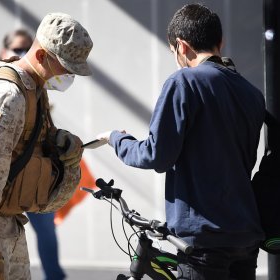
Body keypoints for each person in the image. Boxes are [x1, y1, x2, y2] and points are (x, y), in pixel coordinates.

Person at [98, 4, 265, 280]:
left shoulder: (184, 82)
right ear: (220, 42)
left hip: (204, 237)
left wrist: (116, 139)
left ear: (181, 46)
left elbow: (156, 154)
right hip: (245, 234)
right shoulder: (250, 92)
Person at [0, 12, 93, 280]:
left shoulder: (33, 89)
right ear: (41, 56)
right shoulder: (7, 97)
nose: (70, 74)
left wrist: (58, 141)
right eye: (66, 66)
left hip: (7, 229)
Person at [0, 28, 66, 280]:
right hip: (3, 179)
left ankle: (54, 277)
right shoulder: (0, 86)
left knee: (47, 233)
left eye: (25, 48)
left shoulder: (37, 86)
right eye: (16, 48)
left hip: (35, 174)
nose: (20, 53)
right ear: (3, 52)